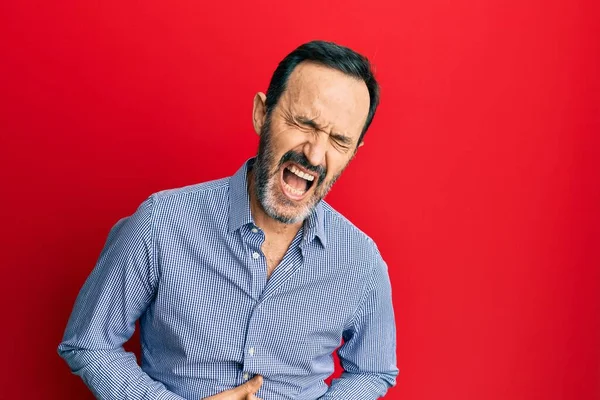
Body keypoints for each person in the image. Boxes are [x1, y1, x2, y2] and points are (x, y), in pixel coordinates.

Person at [58, 40, 398, 400]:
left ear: (353, 152)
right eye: (303, 123)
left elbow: (374, 371)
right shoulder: (160, 222)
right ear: (261, 114)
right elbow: (88, 343)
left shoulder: (361, 261)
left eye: (339, 140)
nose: (314, 153)